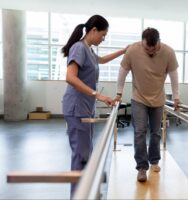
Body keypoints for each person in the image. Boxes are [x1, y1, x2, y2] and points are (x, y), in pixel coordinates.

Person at [61, 15, 127, 194]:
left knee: (86, 151)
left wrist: (124, 51)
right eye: (103, 35)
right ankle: (78, 195)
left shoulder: (88, 50)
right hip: (76, 108)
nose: (103, 38)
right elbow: (70, 77)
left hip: (85, 107)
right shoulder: (79, 48)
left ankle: (85, 190)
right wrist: (98, 95)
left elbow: (103, 60)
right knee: (81, 155)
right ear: (93, 30)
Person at [114, 27, 181, 182]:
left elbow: (174, 75)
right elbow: (123, 71)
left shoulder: (168, 52)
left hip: (158, 99)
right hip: (139, 98)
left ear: (159, 42)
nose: (150, 52)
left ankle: (154, 161)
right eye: (147, 49)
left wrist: (176, 97)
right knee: (140, 131)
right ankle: (142, 167)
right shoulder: (132, 50)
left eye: (154, 49)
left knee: (156, 132)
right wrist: (119, 93)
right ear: (142, 42)